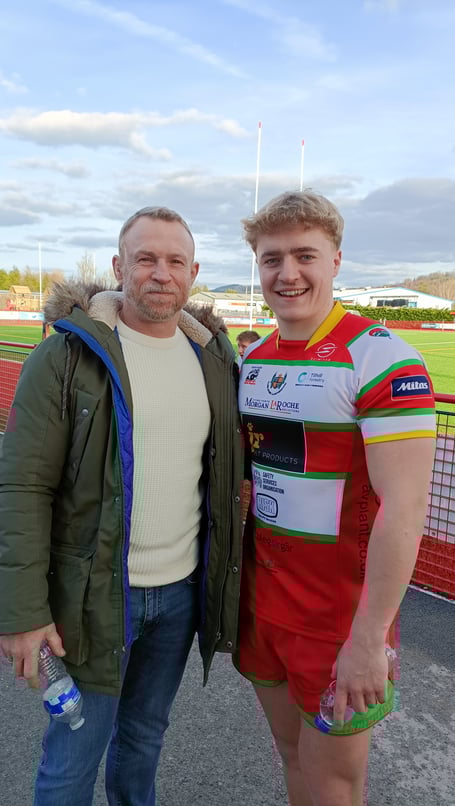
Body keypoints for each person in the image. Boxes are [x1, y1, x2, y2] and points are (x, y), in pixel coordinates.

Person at [0, 206, 243, 806]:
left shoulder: (212, 358)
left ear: (193, 272)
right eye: (146, 259)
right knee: (73, 755)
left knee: (143, 741)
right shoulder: (65, 358)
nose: (161, 274)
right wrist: (23, 614)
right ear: (118, 266)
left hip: (179, 594)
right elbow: (21, 487)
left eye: (175, 261)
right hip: (95, 595)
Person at [235, 190, 436, 806]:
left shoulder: (380, 357)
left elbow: (405, 512)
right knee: (293, 759)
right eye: (271, 259)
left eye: (305, 255)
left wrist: (369, 638)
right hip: (261, 607)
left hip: (337, 624)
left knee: (335, 786)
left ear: (337, 260)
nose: (287, 273)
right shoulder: (252, 358)